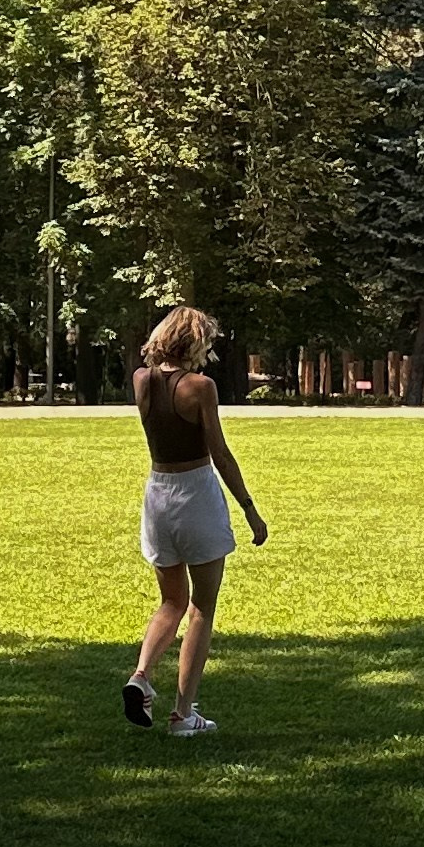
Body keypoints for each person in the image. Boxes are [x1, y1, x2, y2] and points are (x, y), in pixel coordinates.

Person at [123, 305, 268, 738]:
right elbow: (219, 453)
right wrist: (248, 508)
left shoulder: (141, 381)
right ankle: (183, 714)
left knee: (170, 601)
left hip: (157, 495)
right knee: (202, 606)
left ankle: (143, 675)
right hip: (196, 494)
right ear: (195, 342)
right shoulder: (200, 387)